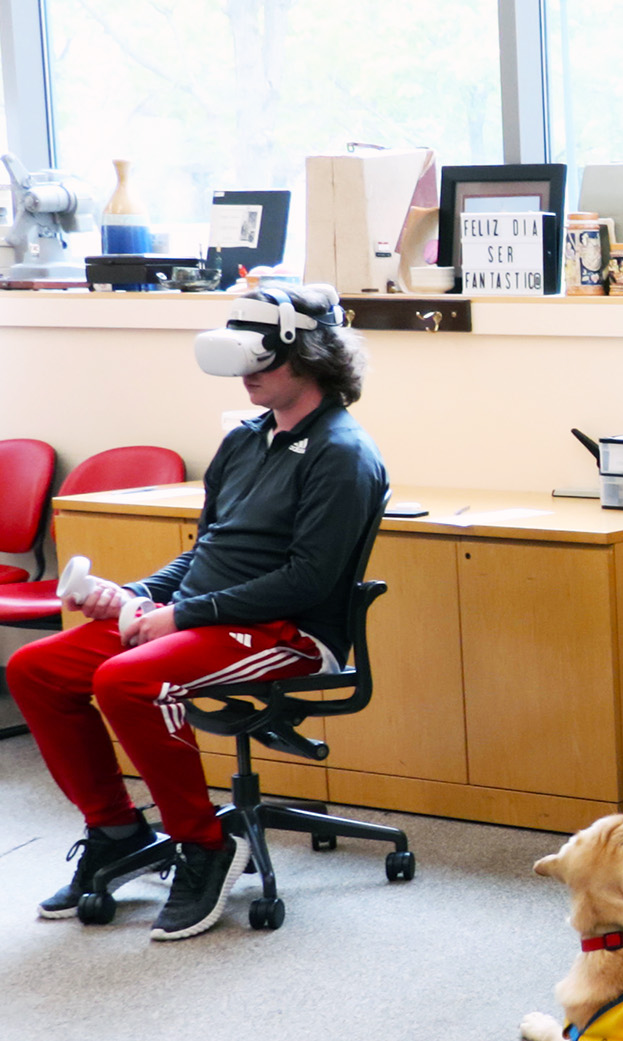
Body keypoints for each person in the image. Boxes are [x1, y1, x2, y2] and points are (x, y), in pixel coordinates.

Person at [9, 284, 386, 941]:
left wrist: (183, 617)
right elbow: (207, 550)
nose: (246, 377)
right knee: (37, 667)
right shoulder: (244, 441)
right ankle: (116, 829)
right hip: (206, 616)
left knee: (126, 678)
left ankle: (204, 843)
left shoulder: (343, 455)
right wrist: (144, 595)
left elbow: (306, 580)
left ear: (311, 358)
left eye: (259, 363)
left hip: (288, 633)